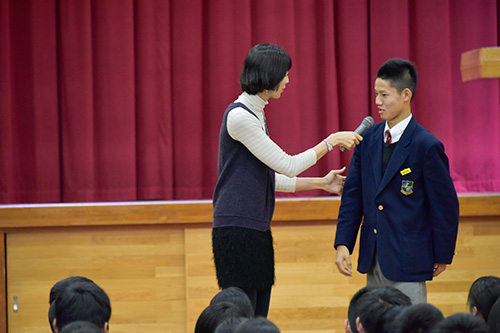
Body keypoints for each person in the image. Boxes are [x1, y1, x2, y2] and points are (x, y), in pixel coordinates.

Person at [212, 43, 362, 318]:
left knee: (259, 314)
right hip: (237, 230)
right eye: (284, 74)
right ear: (268, 75)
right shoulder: (239, 116)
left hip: (255, 229)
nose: (288, 80)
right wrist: (330, 142)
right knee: (242, 317)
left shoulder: (256, 111)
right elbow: (288, 165)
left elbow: (267, 178)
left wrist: (322, 183)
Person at [334, 57, 459, 304]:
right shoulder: (367, 140)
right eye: (376, 94)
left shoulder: (426, 145)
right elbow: (353, 196)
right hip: (373, 257)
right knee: (374, 322)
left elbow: (444, 205)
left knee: (410, 324)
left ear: (405, 95)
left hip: (410, 259)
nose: (377, 102)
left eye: (384, 95)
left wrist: (442, 253)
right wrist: (343, 244)